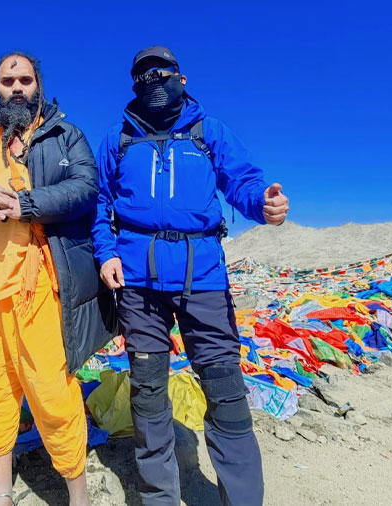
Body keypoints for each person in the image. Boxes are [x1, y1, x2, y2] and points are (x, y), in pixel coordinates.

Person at [93, 46, 289, 506]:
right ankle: (159, 497)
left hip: (204, 277)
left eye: (163, 71)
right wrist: (105, 254)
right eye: (143, 73)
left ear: (181, 77)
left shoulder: (208, 131)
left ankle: (242, 499)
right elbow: (101, 204)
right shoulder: (116, 140)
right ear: (134, 83)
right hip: (138, 282)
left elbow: (241, 180)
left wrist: (262, 202)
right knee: (148, 390)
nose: (153, 79)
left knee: (224, 386)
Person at [0, 52, 116, 506]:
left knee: (52, 388)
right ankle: (3, 493)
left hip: (41, 283)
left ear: (38, 85)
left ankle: (78, 494)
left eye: (25, 79)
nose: (17, 87)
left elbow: (86, 189)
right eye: (8, 79)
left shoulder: (64, 134)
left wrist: (24, 203)